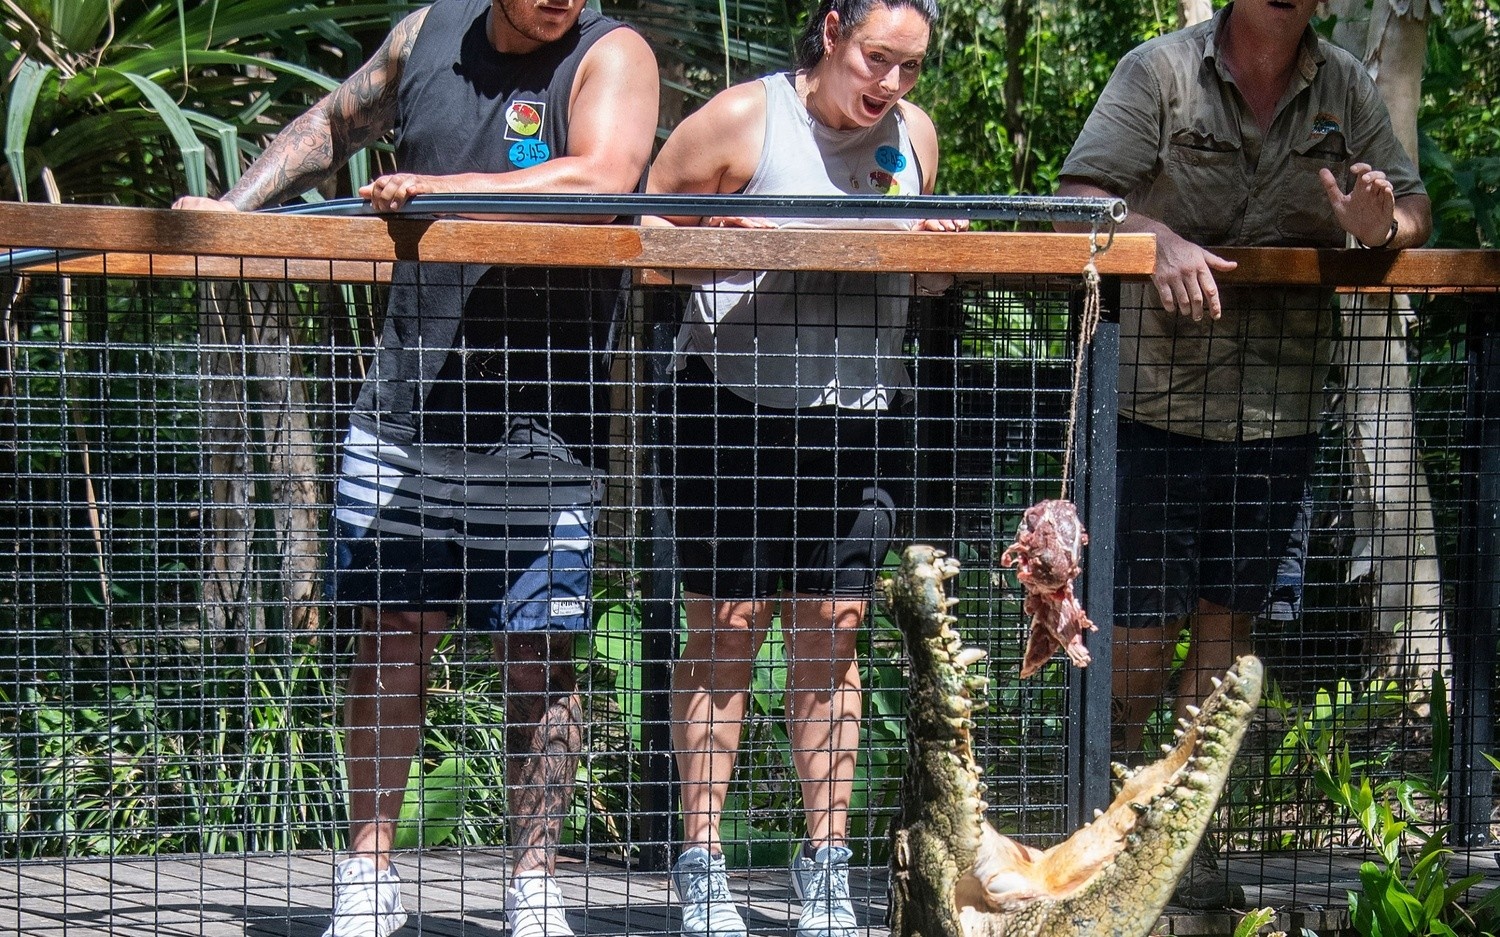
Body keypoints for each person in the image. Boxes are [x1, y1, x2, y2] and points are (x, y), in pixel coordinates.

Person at [175, 2, 658, 936]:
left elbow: (602, 178)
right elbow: (332, 121)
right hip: (407, 411)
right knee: (390, 638)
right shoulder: (426, 32)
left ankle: (535, 885)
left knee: (539, 659)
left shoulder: (612, 53)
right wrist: (237, 209)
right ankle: (369, 875)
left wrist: (444, 189)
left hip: (545, 433)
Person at [1056, 0, 1431, 910]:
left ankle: (1184, 840)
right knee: (1136, 643)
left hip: (1281, 410)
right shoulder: (1160, 71)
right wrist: (1161, 240)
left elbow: (1412, 210)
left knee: (1227, 639)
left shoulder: (1344, 81)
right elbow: (1075, 203)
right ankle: (1088, 835)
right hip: (1151, 401)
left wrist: (1382, 225)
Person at [644, 2, 961, 936]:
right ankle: (702, 864)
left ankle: (826, 864)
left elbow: (923, 274)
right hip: (729, 408)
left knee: (835, 633)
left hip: (857, 419)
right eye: (877, 59)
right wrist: (715, 242)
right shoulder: (746, 119)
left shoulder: (914, 138)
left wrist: (940, 260)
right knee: (726, 633)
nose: (892, 86)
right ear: (831, 33)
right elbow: (640, 230)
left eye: (910, 69)